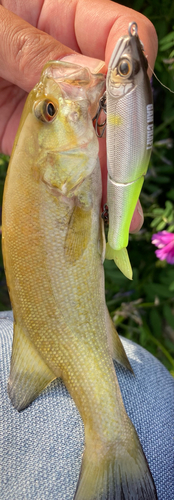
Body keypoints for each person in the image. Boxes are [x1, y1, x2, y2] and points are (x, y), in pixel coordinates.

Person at [0, 2, 173, 500]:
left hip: (59, 316)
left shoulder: (61, 181)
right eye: (49, 112)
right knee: (154, 404)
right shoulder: (61, 184)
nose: (58, 104)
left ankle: (112, 447)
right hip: (61, 321)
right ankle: (111, 443)